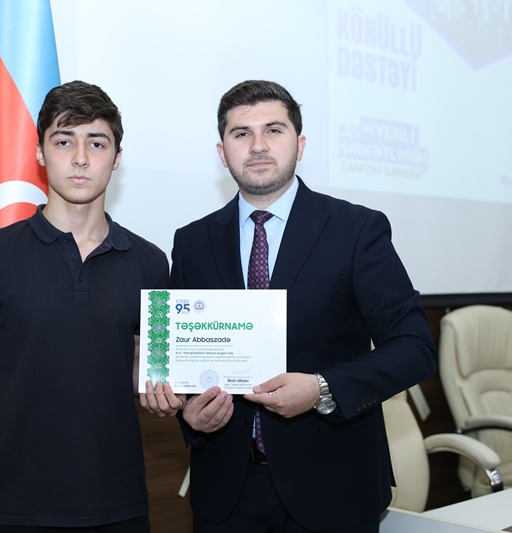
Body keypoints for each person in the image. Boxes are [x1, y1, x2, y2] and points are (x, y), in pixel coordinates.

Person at [170, 80, 438, 533]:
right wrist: (191, 417)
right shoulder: (192, 241)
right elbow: (186, 365)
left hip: (334, 488)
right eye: (241, 133)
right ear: (222, 152)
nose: (258, 146)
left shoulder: (356, 229)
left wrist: (321, 388)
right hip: (225, 495)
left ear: (300, 143)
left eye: (273, 130)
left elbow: (415, 348)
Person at [0, 80, 182, 533]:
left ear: (117, 157)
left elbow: (143, 366)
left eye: (97, 142)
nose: (81, 158)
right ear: (40, 152)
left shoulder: (151, 262)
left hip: (120, 506)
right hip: (13, 507)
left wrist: (166, 392)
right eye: (64, 141)